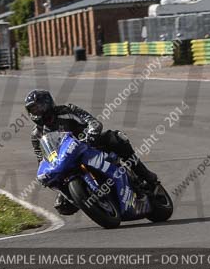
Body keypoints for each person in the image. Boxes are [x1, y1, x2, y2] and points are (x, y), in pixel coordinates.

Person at [25, 89, 159, 216]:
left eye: (38, 107)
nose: (37, 112)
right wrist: (45, 173)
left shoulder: (67, 110)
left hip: (89, 143)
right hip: (65, 160)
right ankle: (87, 198)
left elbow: (92, 121)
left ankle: (145, 174)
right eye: (33, 110)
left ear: (48, 103)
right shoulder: (36, 134)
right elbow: (41, 157)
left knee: (117, 139)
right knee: (62, 205)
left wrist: (92, 132)